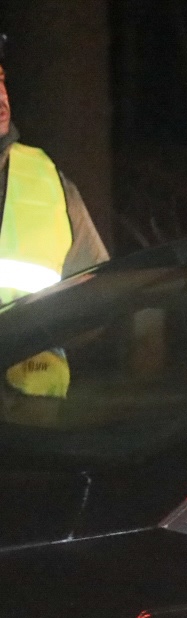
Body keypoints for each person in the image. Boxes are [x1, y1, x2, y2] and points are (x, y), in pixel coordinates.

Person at [0, 34, 108, 399]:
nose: (1, 100)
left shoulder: (50, 182)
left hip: (33, 420)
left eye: (0, 81)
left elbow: (100, 297)